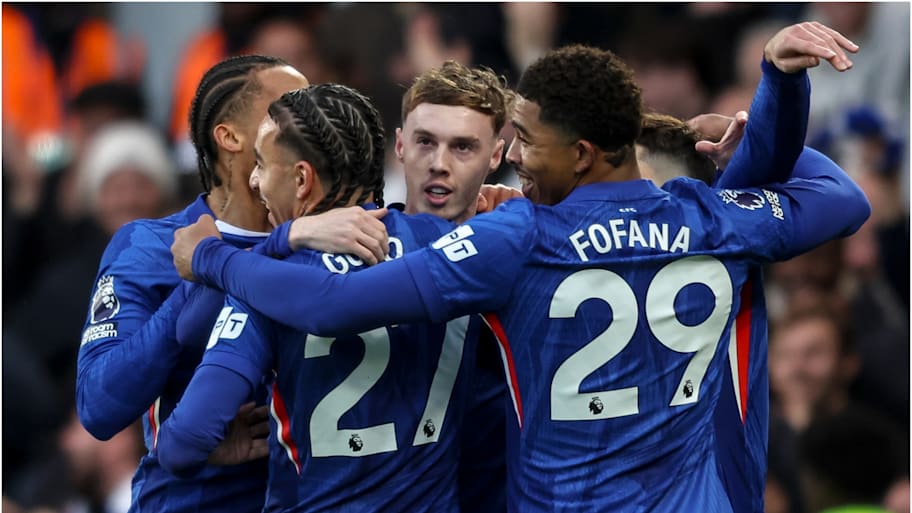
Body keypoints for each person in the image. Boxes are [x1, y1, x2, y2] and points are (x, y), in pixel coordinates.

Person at [172, 23, 868, 512]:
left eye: (528, 142)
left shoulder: (517, 235)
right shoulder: (711, 219)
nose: (517, 160)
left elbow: (329, 305)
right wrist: (770, 92)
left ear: (584, 154)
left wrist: (212, 256)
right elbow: (839, 198)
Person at [159, 60, 515, 512]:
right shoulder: (461, 249)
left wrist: (266, 247)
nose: (254, 180)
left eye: (263, 165)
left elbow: (182, 443)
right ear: (398, 147)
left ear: (303, 179)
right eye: (427, 142)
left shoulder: (266, 283)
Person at [75, 55, 384, 513]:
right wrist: (204, 273)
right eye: (286, 108)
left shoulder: (346, 233)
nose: (308, 119)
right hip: (193, 500)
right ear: (230, 137)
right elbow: (99, 405)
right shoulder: (151, 246)